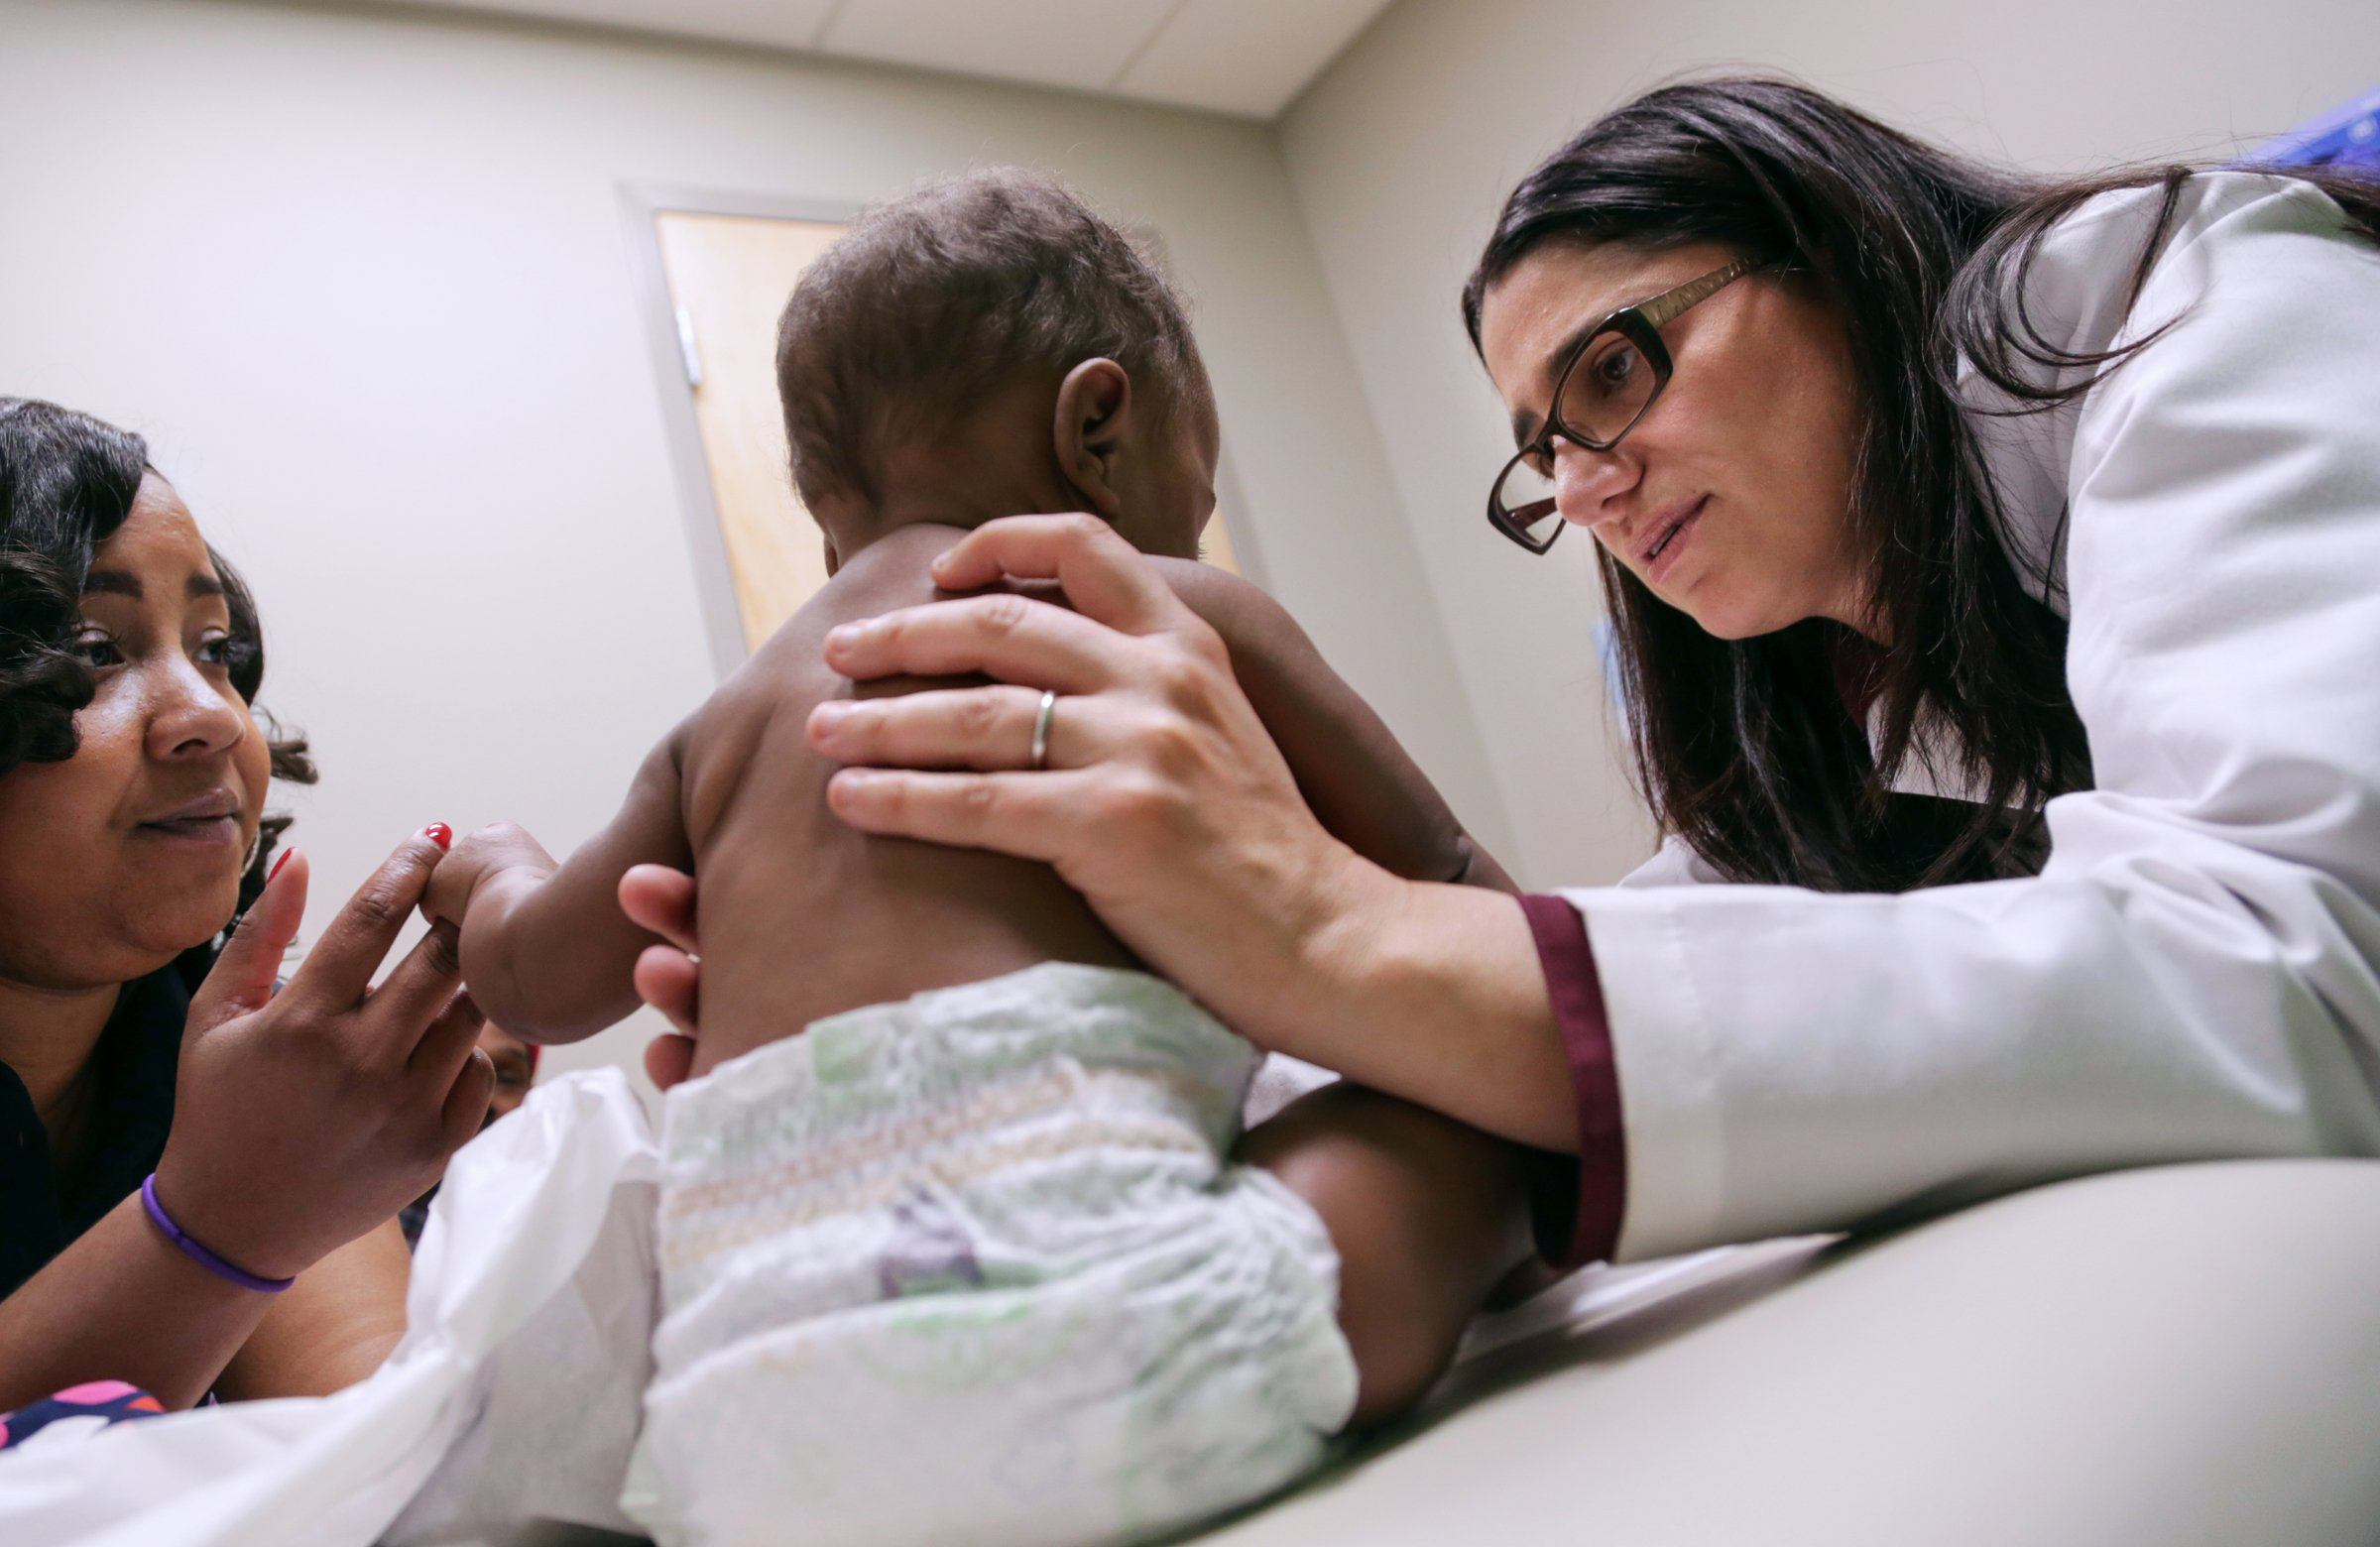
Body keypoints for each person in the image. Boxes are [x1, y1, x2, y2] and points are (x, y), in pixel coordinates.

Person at [672, 77, 2380, 1275]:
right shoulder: (1824, 693)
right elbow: (1694, 954)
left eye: (1618, 368)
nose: (1586, 488)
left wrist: (1332, 935)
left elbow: (2305, 969)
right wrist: (1113, 1036)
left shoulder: (2202, 301)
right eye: (1545, 451)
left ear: (1839, 243)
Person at [423, 171, 1535, 1545]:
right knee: (1467, 1102)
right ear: (1098, 429)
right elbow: (1459, 901)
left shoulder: (724, 727)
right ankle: (1517, 1243)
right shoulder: (1176, 611)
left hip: (754, 1444)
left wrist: (488, 871)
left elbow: (535, 984)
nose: (1193, 525)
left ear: (830, 519)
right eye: (1201, 482)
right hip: (1127, 1331)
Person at [0, 399, 495, 1418]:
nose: (212, 719)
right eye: (95, 648)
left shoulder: (202, 1044)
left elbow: (369, 1452)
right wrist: (220, 1224)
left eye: (216, 649)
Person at [399, 1023, 539, 1250]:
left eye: (506, 1078)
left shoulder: (529, 1231)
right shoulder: (346, 1206)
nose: (478, 1098)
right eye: (449, 1066)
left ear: (528, 1098)